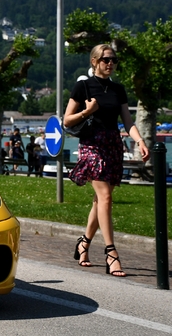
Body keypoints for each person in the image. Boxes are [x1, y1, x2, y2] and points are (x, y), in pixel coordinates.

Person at [64, 44, 150, 277]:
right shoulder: (83, 86)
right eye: (105, 60)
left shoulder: (118, 89)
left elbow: (128, 122)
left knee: (100, 201)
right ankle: (111, 254)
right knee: (106, 197)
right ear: (94, 61)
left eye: (114, 60)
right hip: (92, 145)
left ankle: (83, 243)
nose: (110, 63)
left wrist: (140, 141)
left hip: (113, 145)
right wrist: (87, 111)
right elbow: (66, 121)